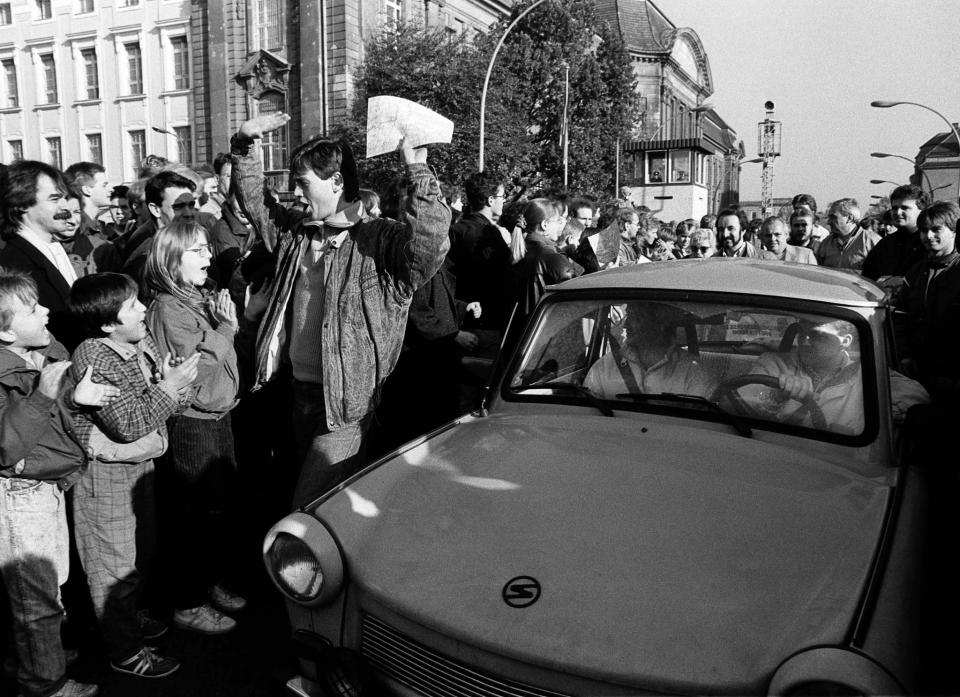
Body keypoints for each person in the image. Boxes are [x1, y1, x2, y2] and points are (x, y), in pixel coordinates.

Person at [231, 112, 450, 507]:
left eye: (302, 184)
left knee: (308, 510)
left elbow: (429, 242)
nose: (296, 194)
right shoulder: (296, 236)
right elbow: (255, 203)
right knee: (322, 510)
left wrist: (417, 171)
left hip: (344, 413)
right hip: (293, 398)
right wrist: (246, 146)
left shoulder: (380, 241)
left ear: (336, 181)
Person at [67, 272, 199, 679]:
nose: (144, 309)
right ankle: (124, 652)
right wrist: (169, 387)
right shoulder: (94, 357)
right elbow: (127, 423)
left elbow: (167, 406)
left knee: (138, 556)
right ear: (107, 323)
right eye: (132, 305)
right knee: (113, 568)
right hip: (106, 477)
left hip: (139, 467)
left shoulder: (137, 341)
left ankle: (125, 621)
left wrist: (175, 383)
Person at [0, 270, 120, 697]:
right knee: (35, 599)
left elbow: (53, 420)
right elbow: (6, 446)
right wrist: (45, 396)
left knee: (51, 584)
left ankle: (39, 653)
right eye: (32, 309)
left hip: (47, 487)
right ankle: (43, 683)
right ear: (4, 329)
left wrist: (73, 398)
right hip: (20, 495)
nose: (47, 309)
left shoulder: (44, 353)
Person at [143, 219, 246, 635]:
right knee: (194, 516)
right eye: (197, 251)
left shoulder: (196, 298)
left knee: (216, 510)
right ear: (171, 261)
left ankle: (208, 583)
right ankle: (188, 603)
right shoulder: (169, 307)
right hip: (192, 424)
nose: (208, 256)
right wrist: (226, 328)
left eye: (207, 248)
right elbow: (193, 371)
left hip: (216, 418)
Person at [0, 161, 85, 351]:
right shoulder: (12, 263)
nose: (65, 207)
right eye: (55, 199)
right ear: (22, 204)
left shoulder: (55, 246)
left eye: (64, 197)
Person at [895, 201, 960, 403]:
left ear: (953, 231)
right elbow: (900, 316)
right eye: (924, 230)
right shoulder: (915, 272)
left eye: (936, 229)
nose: (929, 236)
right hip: (919, 371)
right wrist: (904, 355)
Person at [583, 302, 715, 398]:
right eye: (628, 316)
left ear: (660, 323)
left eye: (636, 318)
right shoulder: (604, 367)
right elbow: (585, 415)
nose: (626, 325)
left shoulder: (693, 374)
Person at [121, 170, 199, 287]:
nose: (188, 213)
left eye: (191, 205)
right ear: (155, 209)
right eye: (178, 206)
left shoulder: (197, 244)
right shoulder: (145, 260)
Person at [861, 184, 930, 293]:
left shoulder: (930, 242)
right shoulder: (885, 244)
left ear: (922, 210)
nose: (898, 213)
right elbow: (867, 276)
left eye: (905, 208)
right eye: (895, 208)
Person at [816, 198, 878, 272]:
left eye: (833, 217)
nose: (828, 222)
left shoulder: (872, 241)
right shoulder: (826, 244)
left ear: (850, 218)